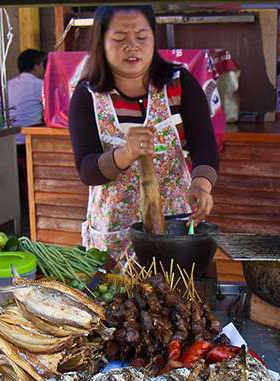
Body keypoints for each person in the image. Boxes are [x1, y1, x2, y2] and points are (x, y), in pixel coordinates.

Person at [68, 5, 218, 259]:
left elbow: (205, 146)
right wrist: (125, 154)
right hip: (114, 230)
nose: (132, 46)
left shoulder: (179, 84)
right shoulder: (87, 97)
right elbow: (87, 169)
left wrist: (201, 186)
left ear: (153, 38)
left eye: (141, 36)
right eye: (119, 38)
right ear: (101, 42)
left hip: (172, 226)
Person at [8, 49, 46, 235]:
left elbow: (0, 112)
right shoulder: (41, 85)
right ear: (37, 64)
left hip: (7, 145)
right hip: (29, 146)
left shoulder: (8, 85)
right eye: (43, 64)